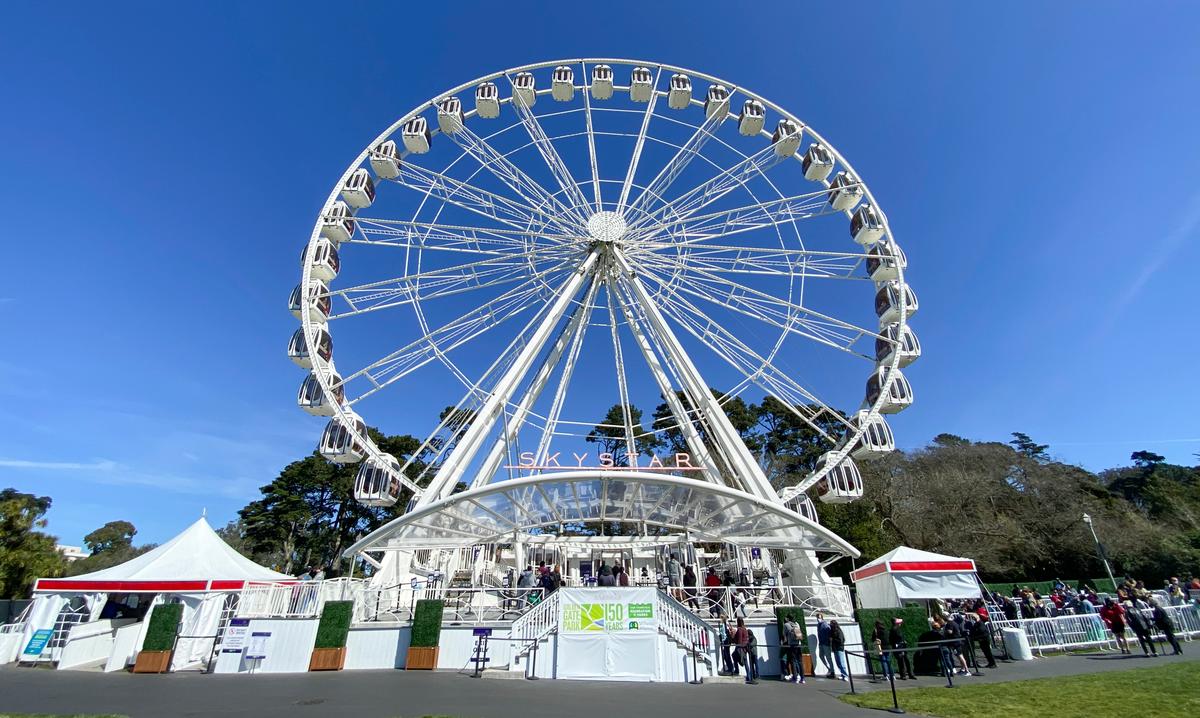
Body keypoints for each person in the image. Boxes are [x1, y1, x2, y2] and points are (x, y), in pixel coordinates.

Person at [782, 613, 806, 683]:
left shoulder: (786, 625)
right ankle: (802, 678)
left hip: (792, 645)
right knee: (800, 661)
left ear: (788, 618)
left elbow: (784, 635)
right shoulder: (797, 624)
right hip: (798, 644)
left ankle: (795, 678)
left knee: (793, 661)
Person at [734, 617, 756, 684]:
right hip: (745, 647)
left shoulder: (740, 629)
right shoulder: (745, 629)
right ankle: (749, 676)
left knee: (735, 657)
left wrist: (737, 645)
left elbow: (739, 639)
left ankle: (737, 670)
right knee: (746, 662)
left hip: (741, 647)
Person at [816, 612, 835, 678]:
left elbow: (829, 634)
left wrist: (829, 642)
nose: (818, 619)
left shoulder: (825, 624)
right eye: (817, 617)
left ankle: (832, 671)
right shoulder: (818, 625)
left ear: (822, 618)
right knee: (821, 656)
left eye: (819, 617)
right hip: (821, 643)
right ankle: (829, 668)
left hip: (826, 643)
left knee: (828, 657)